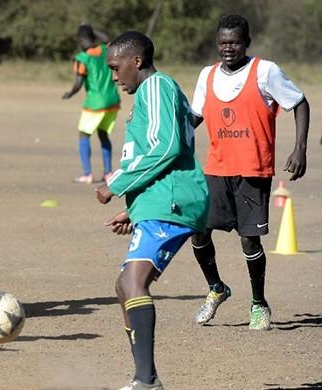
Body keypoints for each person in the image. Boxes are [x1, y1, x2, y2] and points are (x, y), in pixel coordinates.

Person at [96, 31, 209, 390]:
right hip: (159, 198)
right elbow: (185, 125)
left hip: (173, 198)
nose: (115, 77)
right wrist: (136, 208)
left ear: (137, 62)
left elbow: (166, 147)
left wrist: (116, 184)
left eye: (116, 68)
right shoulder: (152, 92)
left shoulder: (156, 86)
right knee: (123, 285)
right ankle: (145, 377)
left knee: (134, 281)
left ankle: (146, 381)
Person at [189, 14, 309, 330]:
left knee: (249, 242)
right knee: (198, 231)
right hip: (216, 168)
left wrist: (300, 148)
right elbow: (194, 117)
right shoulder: (207, 75)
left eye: (235, 42)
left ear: (247, 43)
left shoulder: (265, 72)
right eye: (223, 42)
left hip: (253, 170)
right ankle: (216, 288)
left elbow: (299, 102)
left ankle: (258, 304)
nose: (228, 48)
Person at [62, 23, 120, 184]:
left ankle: (87, 174)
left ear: (81, 40)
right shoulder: (105, 50)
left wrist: (70, 93)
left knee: (83, 134)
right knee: (103, 134)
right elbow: (111, 39)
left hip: (95, 103)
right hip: (112, 101)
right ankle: (108, 173)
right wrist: (93, 30)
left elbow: (78, 83)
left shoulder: (82, 58)